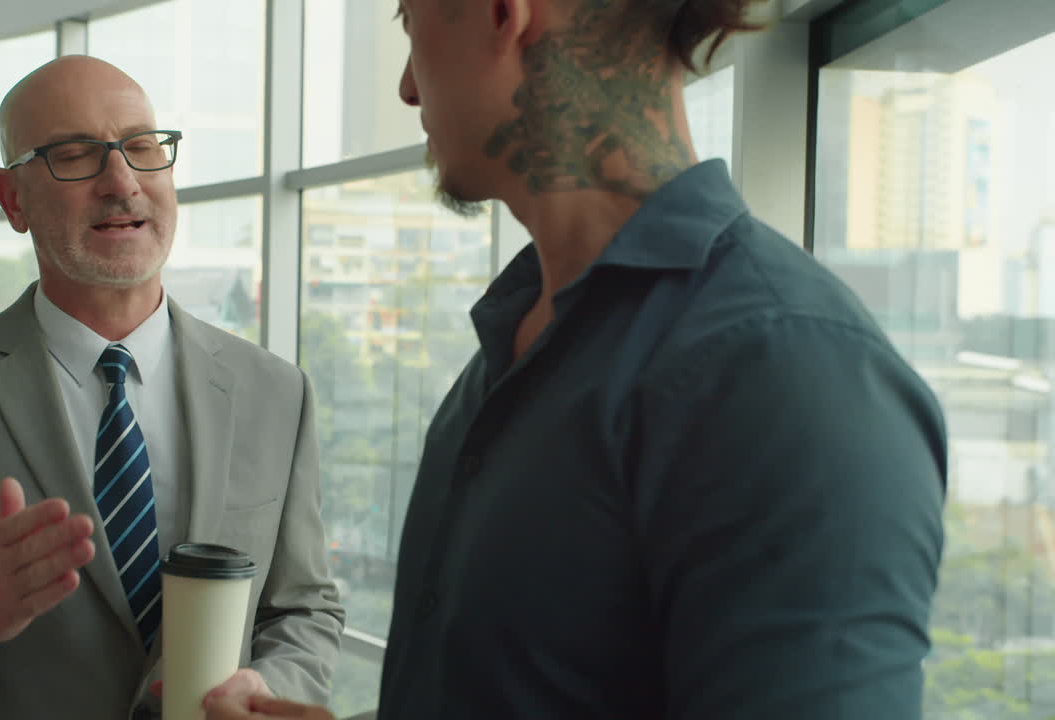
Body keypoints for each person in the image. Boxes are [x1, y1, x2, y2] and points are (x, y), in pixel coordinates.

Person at [205, 0, 947, 718]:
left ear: (504, 12)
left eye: (410, 18)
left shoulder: (786, 377)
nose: (406, 86)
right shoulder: (513, 346)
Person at [0, 56, 344, 720]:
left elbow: (302, 610)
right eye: (76, 155)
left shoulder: (276, 393)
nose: (122, 181)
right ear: (12, 198)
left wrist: (268, 685)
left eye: (142, 147)